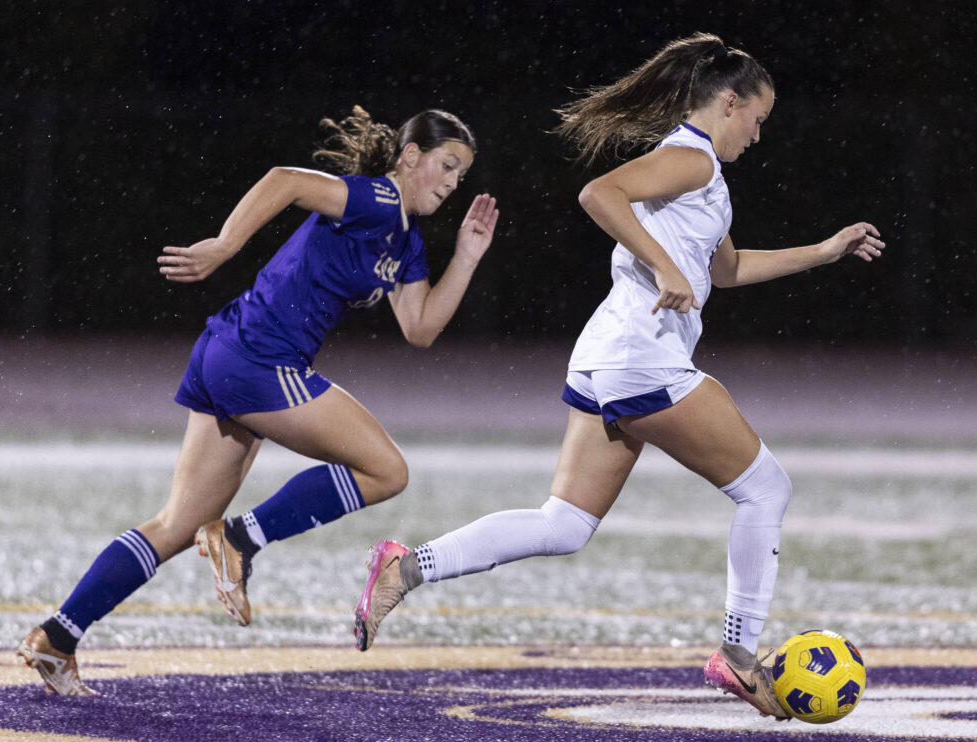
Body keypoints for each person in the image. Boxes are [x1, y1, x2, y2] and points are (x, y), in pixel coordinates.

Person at [351, 33, 884, 721]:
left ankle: (408, 565)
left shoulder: (704, 178)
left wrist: (825, 250)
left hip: (608, 356)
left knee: (564, 524)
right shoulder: (690, 159)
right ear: (729, 102)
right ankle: (739, 652)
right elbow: (599, 194)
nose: (759, 133)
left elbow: (726, 271)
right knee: (764, 489)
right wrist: (662, 264)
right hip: (643, 359)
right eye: (759, 118)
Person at [16, 106, 499, 696]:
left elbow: (420, 327)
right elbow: (286, 180)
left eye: (461, 175)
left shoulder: (408, 242)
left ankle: (57, 638)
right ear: (409, 157)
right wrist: (224, 245)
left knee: (177, 524)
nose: (452, 184)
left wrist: (469, 257)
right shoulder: (374, 198)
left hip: (230, 353)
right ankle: (240, 539)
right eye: (446, 166)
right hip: (258, 361)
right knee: (386, 470)